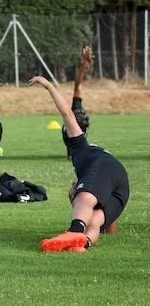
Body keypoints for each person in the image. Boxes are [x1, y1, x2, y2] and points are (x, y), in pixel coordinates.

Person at [30, 76, 129, 253]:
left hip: (106, 166)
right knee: (95, 220)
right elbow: (111, 226)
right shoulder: (93, 170)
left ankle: (74, 232)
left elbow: (66, 112)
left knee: (84, 199)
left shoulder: (79, 144)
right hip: (122, 183)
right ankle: (83, 244)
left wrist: (49, 86)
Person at [62, 46, 92, 160]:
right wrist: (85, 63)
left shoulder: (74, 139)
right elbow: (78, 85)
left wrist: (85, 63)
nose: (82, 114)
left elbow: (78, 85)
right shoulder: (75, 139)